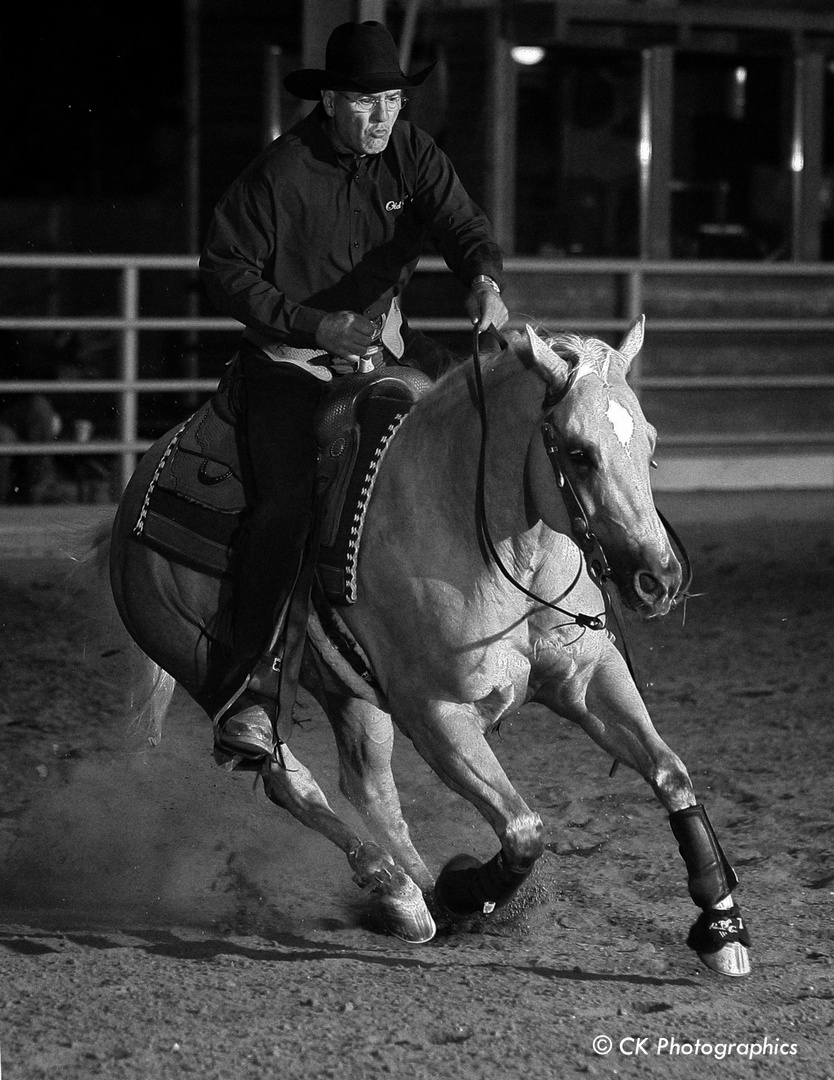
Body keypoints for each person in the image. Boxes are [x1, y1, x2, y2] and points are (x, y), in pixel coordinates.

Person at [200, 20, 508, 761]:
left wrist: (484, 279)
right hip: (289, 364)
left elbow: (462, 222)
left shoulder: (411, 151)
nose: (383, 117)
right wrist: (309, 323)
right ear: (332, 101)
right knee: (287, 505)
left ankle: (486, 634)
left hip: (385, 347)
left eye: (394, 101)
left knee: (479, 436)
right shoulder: (278, 175)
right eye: (368, 103)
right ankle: (248, 693)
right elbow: (224, 265)